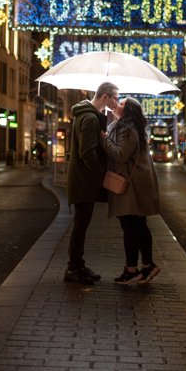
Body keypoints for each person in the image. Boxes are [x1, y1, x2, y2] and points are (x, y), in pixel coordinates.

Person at [64, 81, 119, 285]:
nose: (117, 102)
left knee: (82, 224)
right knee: (80, 225)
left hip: (84, 179)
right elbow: (87, 152)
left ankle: (78, 265)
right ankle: (73, 268)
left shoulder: (89, 115)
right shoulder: (89, 118)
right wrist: (101, 172)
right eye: (115, 98)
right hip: (84, 180)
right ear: (105, 96)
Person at [102, 97, 162, 284]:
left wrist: (104, 138)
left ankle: (131, 270)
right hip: (135, 182)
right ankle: (147, 265)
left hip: (130, 184)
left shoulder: (127, 130)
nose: (116, 104)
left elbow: (120, 154)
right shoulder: (129, 128)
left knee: (129, 226)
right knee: (139, 224)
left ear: (127, 111)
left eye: (121, 103)